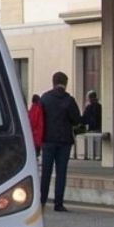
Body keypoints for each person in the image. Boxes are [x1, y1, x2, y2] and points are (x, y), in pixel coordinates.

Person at [39, 71, 81, 212]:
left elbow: (39, 119)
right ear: (66, 83)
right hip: (64, 141)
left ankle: (42, 201)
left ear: (53, 82)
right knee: (61, 172)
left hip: (47, 140)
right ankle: (58, 203)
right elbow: (77, 119)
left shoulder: (45, 98)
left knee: (46, 171)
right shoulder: (69, 100)